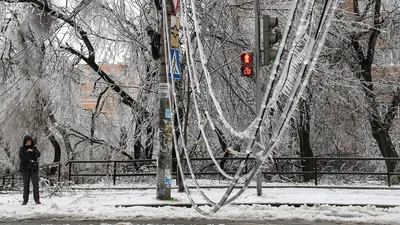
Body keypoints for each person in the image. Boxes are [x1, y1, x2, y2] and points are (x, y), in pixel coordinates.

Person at [19, 135, 41, 205]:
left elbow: (38, 154)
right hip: (25, 169)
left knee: (35, 184)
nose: (29, 142)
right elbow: (21, 156)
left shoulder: (34, 148)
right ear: (25, 142)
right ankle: (25, 200)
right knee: (26, 185)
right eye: (27, 141)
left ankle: (37, 199)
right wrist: (29, 158)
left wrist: (32, 152)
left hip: (33, 169)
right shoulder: (22, 149)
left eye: (30, 141)